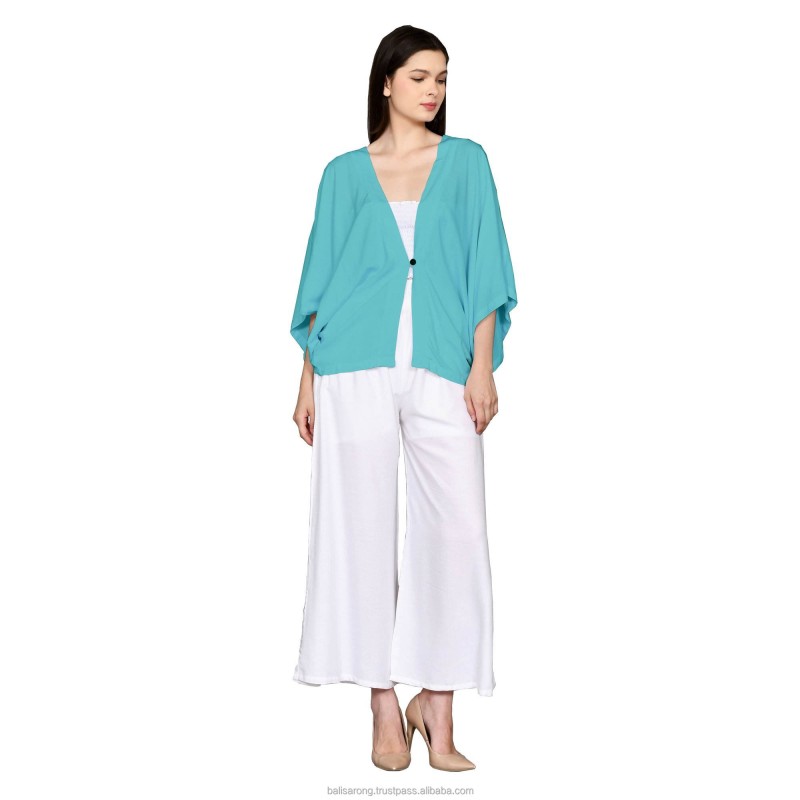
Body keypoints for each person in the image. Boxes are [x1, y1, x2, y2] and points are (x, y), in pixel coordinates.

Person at [289, 25, 518, 772]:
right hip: (350, 367)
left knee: (455, 532)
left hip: (444, 364)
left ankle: (438, 708)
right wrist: (307, 379)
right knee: (358, 531)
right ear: (385, 82)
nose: (433, 91)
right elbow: (321, 280)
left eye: (442, 78)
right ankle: (385, 705)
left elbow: (486, 265)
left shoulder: (468, 163)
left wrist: (482, 366)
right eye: (420, 77)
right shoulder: (343, 174)